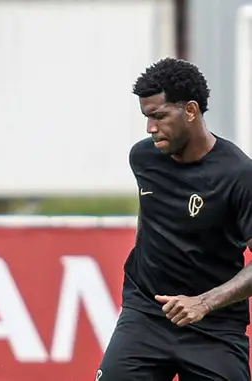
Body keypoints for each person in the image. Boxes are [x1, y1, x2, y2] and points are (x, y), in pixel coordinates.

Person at [96, 57, 252, 380]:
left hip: (215, 327)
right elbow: (152, 219)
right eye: (146, 117)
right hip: (146, 316)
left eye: (159, 116)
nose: (150, 128)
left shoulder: (238, 174)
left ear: (191, 111)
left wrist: (203, 303)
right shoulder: (142, 159)